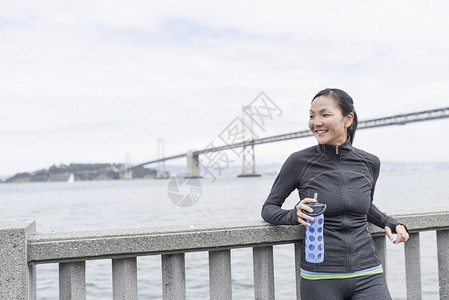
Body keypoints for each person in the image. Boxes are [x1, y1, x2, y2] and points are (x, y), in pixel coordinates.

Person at [261, 88, 409, 299]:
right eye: (312, 116)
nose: (316, 122)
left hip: (368, 272)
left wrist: (391, 222)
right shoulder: (298, 162)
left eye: (325, 114)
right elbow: (268, 209)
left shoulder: (370, 163)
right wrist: (294, 215)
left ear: (348, 119)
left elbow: (364, 207)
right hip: (320, 276)